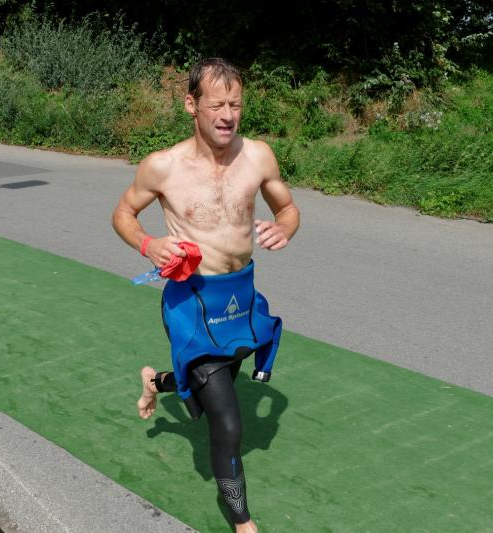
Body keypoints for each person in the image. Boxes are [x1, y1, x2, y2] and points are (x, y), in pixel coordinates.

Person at [111, 57, 300, 533]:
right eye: (217, 105)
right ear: (191, 105)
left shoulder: (258, 156)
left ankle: (157, 382)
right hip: (190, 303)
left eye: (236, 104)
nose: (228, 115)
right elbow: (123, 214)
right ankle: (242, 521)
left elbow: (288, 208)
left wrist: (284, 227)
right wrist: (149, 245)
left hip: (240, 298)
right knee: (227, 422)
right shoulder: (163, 166)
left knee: (222, 370)